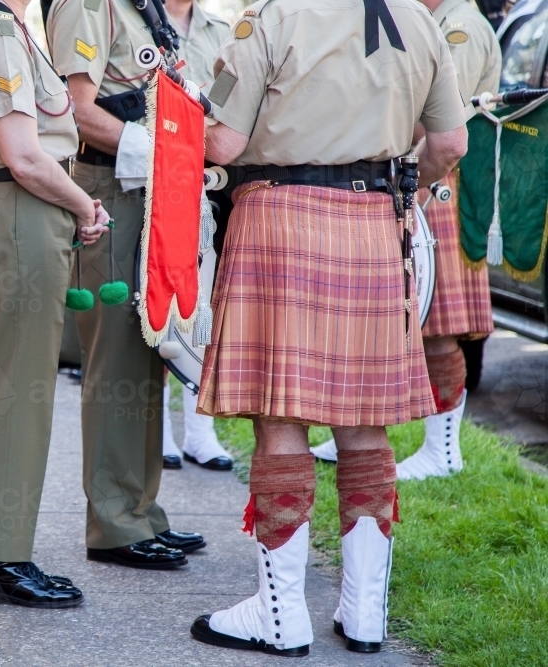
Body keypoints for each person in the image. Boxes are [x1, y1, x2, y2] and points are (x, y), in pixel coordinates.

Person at [191, 0, 467, 655]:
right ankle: (363, 613)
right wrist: (405, 185)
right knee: (364, 419)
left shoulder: (271, 15)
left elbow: (221, 143)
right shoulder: (420, 19)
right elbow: (450, 143)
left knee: (281, 413)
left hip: (281, 219)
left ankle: (281, 616)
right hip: (377, 225)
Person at [0, 0, 111, 607]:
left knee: (23, 388)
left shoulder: (14, 29)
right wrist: (82, 203)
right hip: (20, 213)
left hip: (29, 216)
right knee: (17, 391)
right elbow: (22, 155)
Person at [311, 0, 501, 480]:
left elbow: (434, 119)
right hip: (418, 179)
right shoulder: (422, 20)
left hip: (442, 186)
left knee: (437, 329)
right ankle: (360, 435)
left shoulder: (460, 28)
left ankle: (444, 450)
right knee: (390, 323)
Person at [46, 0, 206, 571]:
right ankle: (113, 524)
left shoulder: (143, 7)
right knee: (114, 356)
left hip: (151, 186)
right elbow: (76, 110)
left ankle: (141, 510)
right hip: (111, 188)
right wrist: (159, 150)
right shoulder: (89, 6)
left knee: (148, 351)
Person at [157, 0, 235, 473]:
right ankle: (161, 431)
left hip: (211, 175)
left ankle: (200, 431)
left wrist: (207, 99)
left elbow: (231, 92)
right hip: (160, 171)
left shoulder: (224, 29)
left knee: (204, 302)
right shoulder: (142, 19)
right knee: (161, 306)